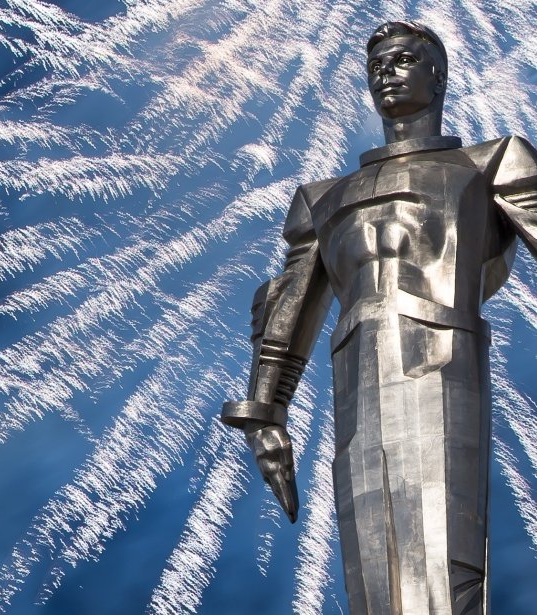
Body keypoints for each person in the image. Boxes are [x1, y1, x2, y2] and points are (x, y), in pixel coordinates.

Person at [222, 21, 537, 614]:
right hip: (355, 372)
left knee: (445, 559)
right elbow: (289, 303)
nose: (384, 72)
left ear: (436, 74)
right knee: (369, 567)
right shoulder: (322, 198)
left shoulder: (491, 161)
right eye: (376, 65)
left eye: (401, 60)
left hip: (442, 352)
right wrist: (265, 410)